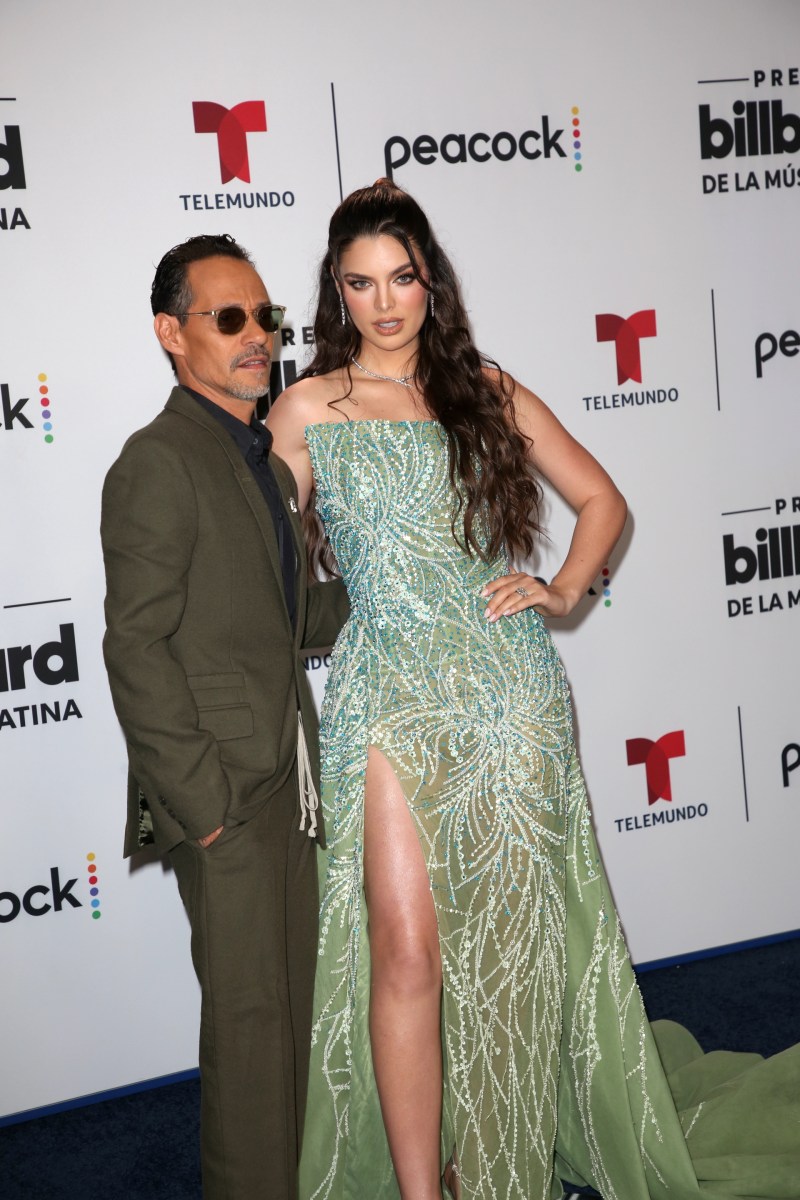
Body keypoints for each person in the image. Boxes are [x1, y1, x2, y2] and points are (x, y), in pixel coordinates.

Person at [266, 181, 800, 1200]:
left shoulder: (483, 389)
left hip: (506, 694)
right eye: (360, 284)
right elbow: (264, 558)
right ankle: (424, 1189)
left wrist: (559, 590)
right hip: (386, 693)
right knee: (405, 945)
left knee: (506, 951)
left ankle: (498, 1159)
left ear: (431, 282)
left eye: (403, 279)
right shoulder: (308, 407)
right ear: (335, 294)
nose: (385, 304)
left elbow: (602, 498)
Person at [101, 233, 349, 1200]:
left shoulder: (249, 453)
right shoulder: (159, 461)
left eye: (267, 316)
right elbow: (135, 646)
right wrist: (204, 805)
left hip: (288, 782)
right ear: (172, 333)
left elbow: (285, 619)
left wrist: (408, 593)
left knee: (293, 1014)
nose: (260, 337)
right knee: (252, 1030)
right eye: (230, 319)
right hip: (230, 799)